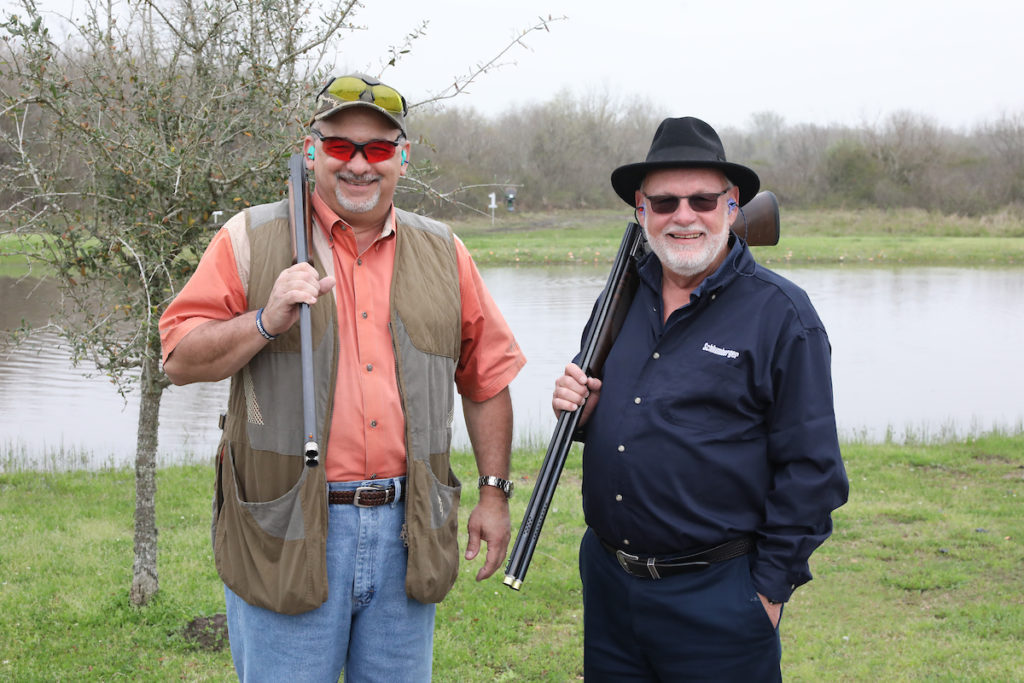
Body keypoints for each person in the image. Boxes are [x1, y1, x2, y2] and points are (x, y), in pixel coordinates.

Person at [159, 73, 526, 682]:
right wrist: (264, 320)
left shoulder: (444, 251)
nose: (359, 165)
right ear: (311, 151)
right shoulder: (249, 238)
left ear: (401, 159)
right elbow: (178, 357)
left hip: (408, 528)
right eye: (340, 147)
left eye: (378, 149)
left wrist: (494, 493)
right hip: (290, 529)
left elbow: (486, 377)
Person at [552, 116, 849, 681]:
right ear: (641, 210)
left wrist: (766, 592)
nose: (682, 216)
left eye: (701, 200)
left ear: (733, 206)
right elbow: (624, 407)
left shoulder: (782, 315)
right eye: (664, 203)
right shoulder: (622, 297)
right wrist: (588, 411)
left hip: (720, 599)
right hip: (612, 588)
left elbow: (813, 470)